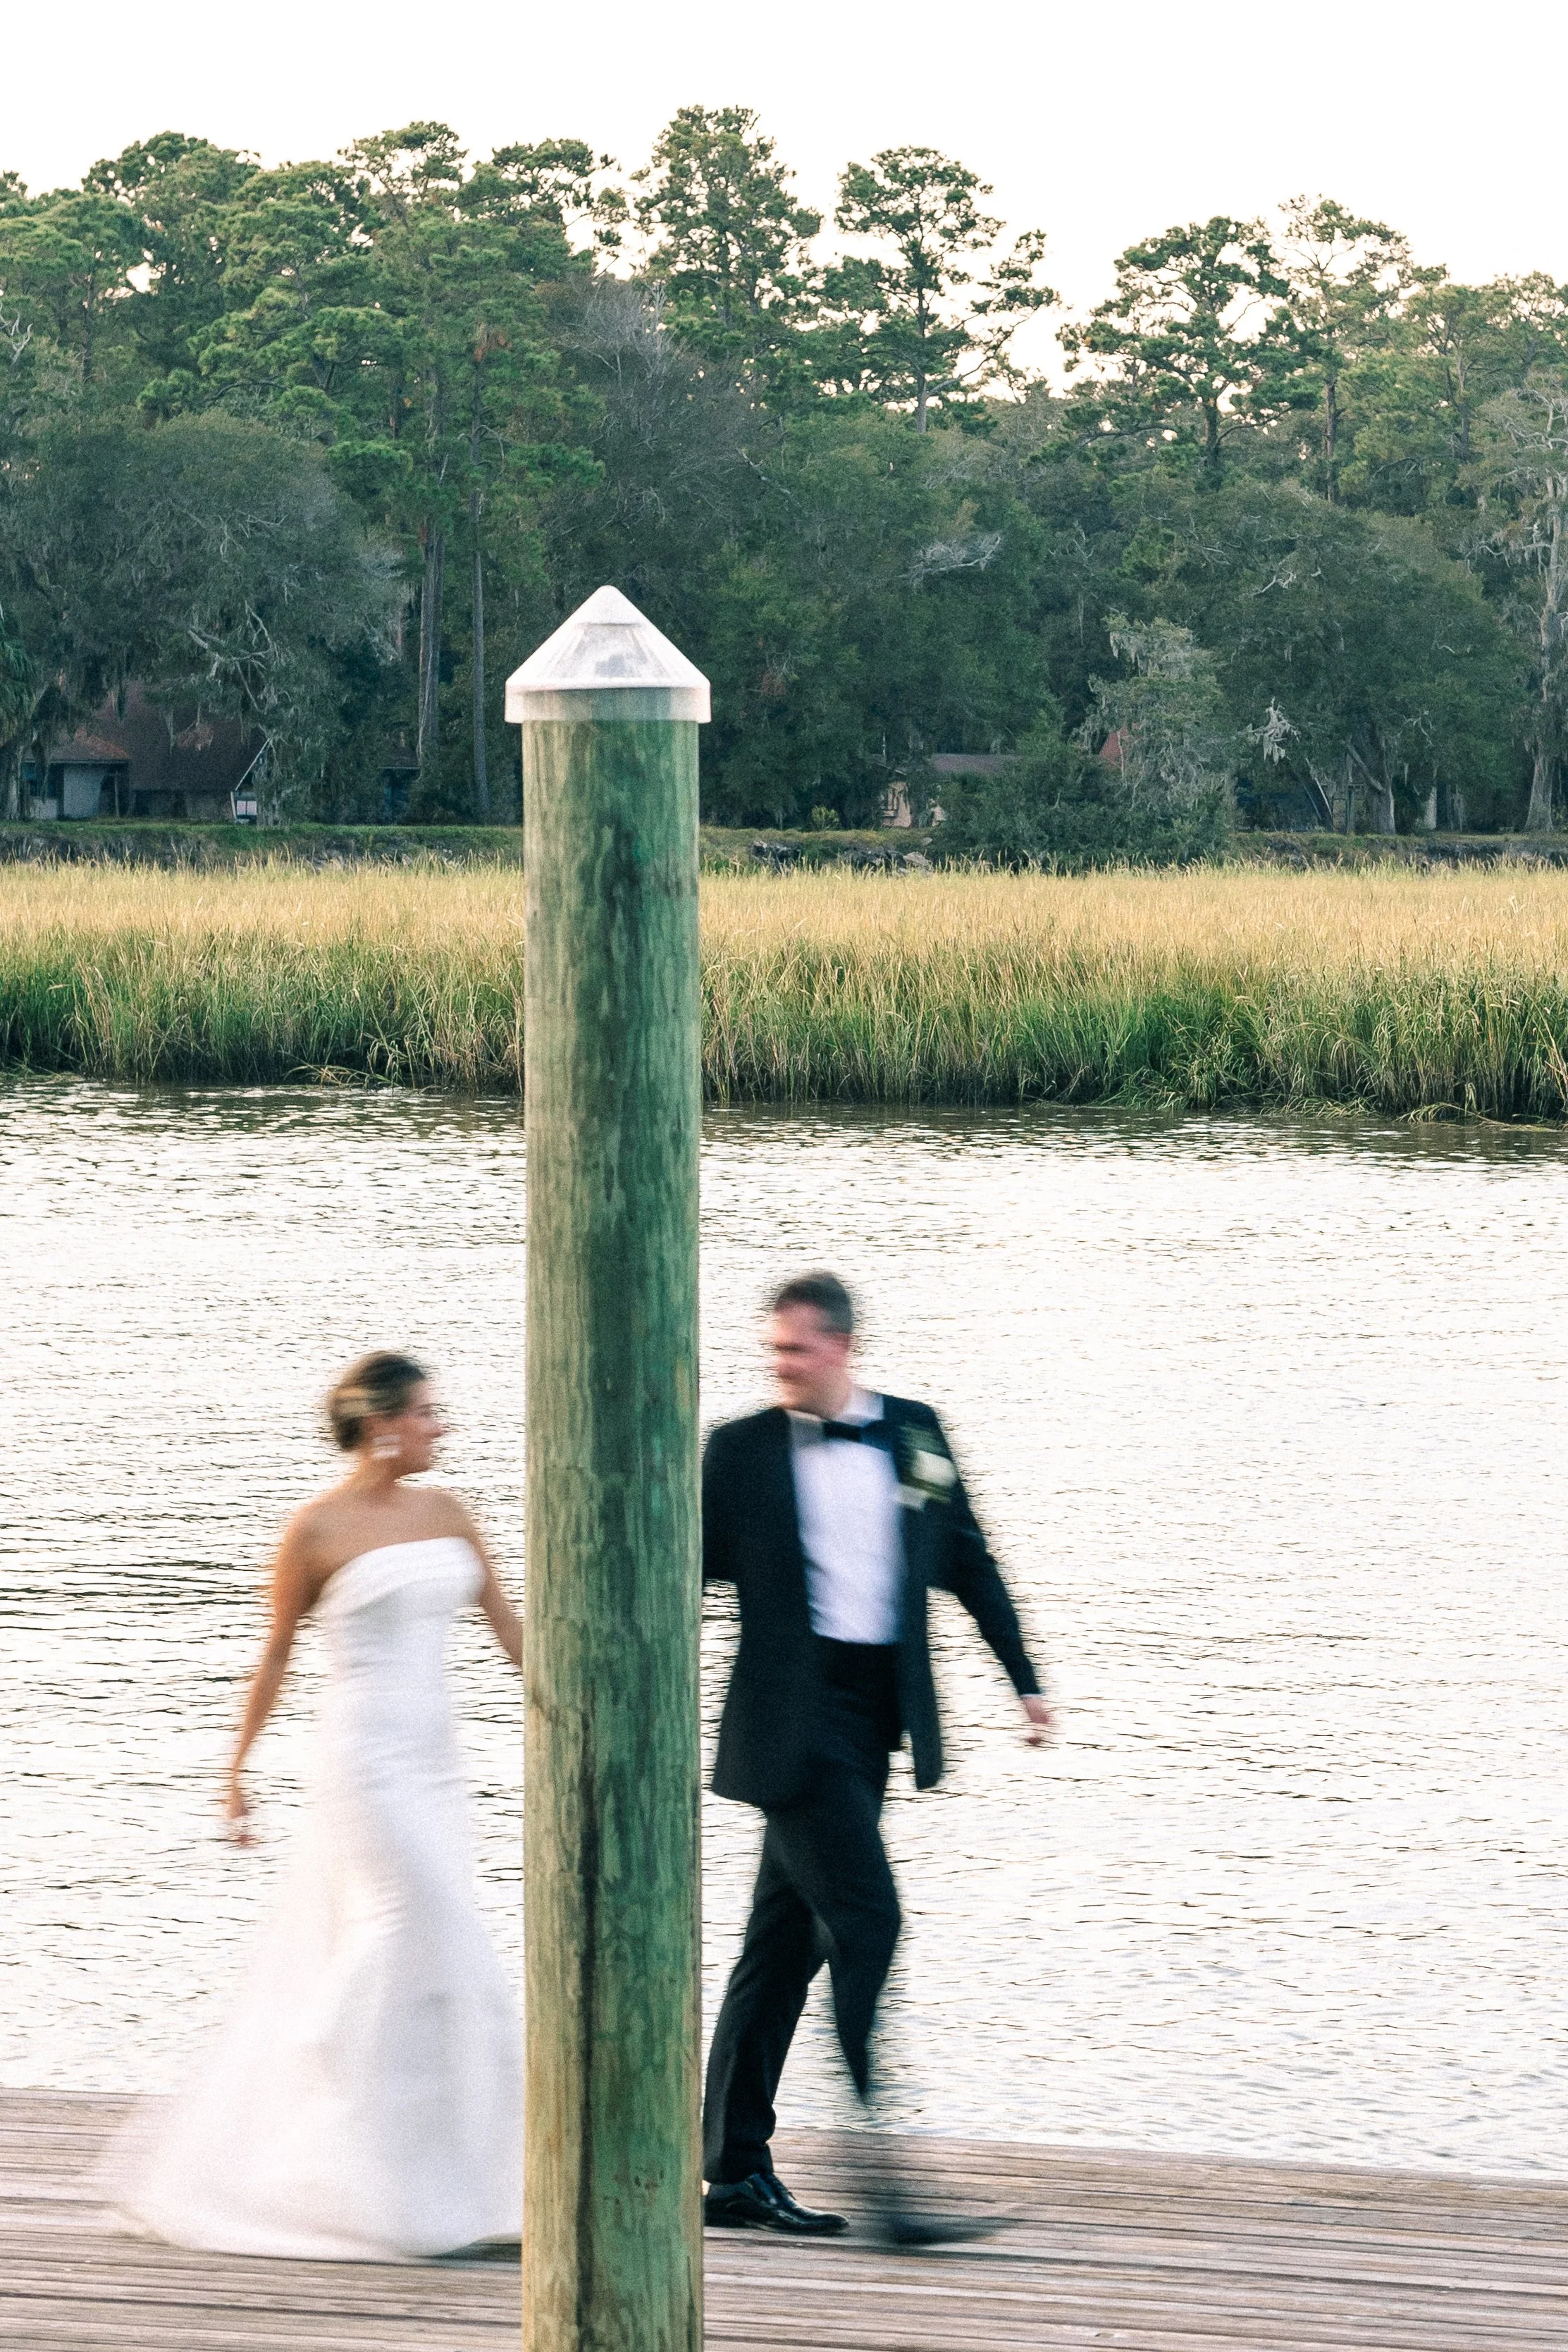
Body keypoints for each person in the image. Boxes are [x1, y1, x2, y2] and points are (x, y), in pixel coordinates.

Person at [103, 1352, 524, 2261]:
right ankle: (329, 2111)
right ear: (383, 1425)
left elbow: (510, 1630)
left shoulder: (451, 1514)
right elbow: (276, 1658)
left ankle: (450, 2181)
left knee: (442, 1956)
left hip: (438, 1764)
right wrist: (237, 1768)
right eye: (425, 1413)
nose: (439, 1427)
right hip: (365, 1764)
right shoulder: (317, 1531)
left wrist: (577, 1712)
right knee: (417, 1931)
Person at [700, 1273, 1053, 2244]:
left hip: (870, 1725)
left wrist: (1022, 1677)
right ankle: (885, 2179)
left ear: (843, 1347)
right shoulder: (738, 1452)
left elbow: (967, 1559)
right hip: (791, 1724)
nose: (780, 1369)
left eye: (798, 1352)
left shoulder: (914, 1433)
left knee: (782, 1949)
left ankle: (732, 2171)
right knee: (870, 1922)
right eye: (772, 1353)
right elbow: (672, 1566)